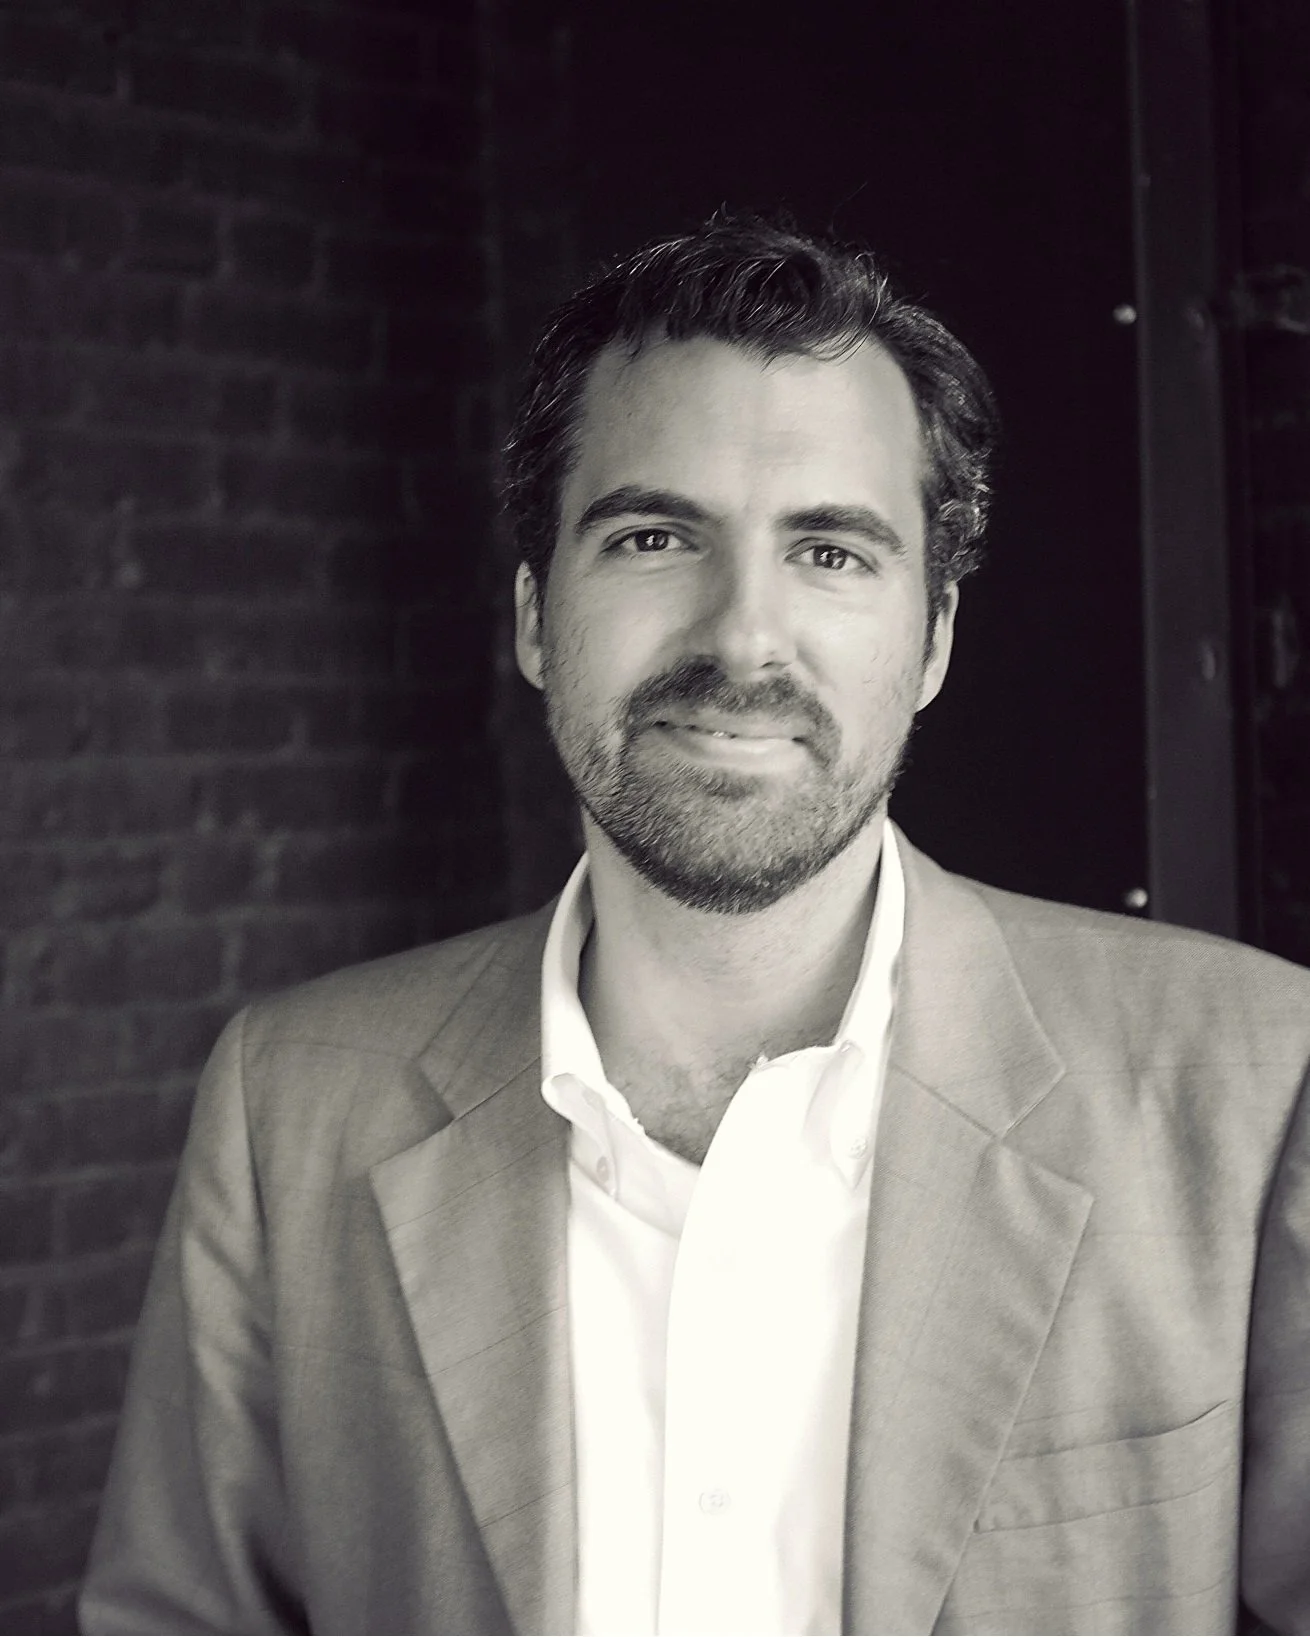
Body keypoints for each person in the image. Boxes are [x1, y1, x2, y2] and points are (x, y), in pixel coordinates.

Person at [81, 218, 1310, 1637]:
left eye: (830, 552)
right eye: (654, 538)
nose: (742, 640)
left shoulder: (1252, 1079)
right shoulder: (291, 1101)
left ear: (932, 640)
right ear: (536, 616)